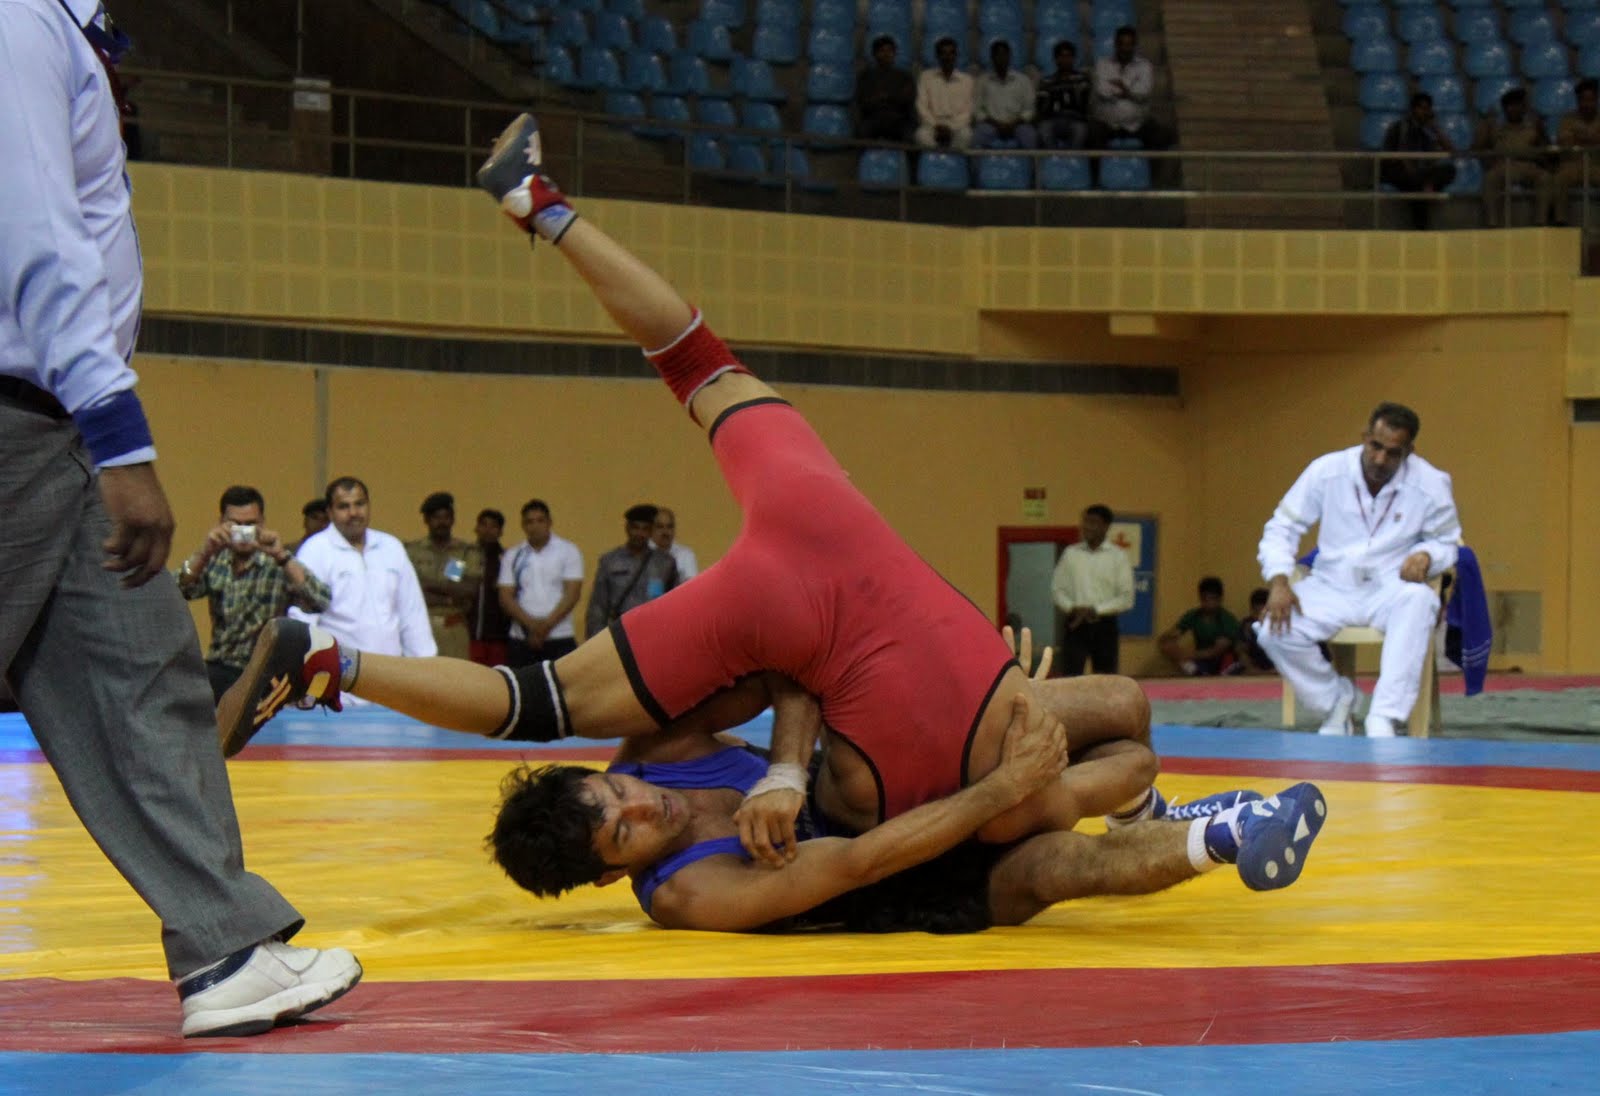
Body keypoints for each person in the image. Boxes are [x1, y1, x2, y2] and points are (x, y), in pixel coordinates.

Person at [221, 112, 1185, 849]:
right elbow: (900, 834)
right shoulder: (913, 794)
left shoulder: (969, 740)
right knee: (540, 693)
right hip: (820, 600)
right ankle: (331, 662)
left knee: (690, 364)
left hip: (832, 553)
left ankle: (539, 205)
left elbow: (1053, 762)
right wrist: (787, 772)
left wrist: (792, 766)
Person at [0, 0, 359, 1037]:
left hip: (52, 418)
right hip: (29, 419)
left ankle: (225, 946)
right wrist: (121, 438)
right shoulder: (21, 19)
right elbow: (35, 236)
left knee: (145, 676)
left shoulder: (59, 26)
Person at [1255, 403, 1462, 737]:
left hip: (1389, 586)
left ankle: (1384, 716)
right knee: (1271, 629)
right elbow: (1282, 527)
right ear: (1365, 437)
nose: (1380, 460)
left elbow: (1448, 542)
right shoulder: (1327, 471)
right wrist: (1279, 581)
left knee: (1419, 601)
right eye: (1375, 447)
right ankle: (1336, 701)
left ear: (1409, 451)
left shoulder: (1431, 482)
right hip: (1331, 584)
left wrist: (1426, 555)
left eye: (1393, 453)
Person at [176, 485, 331, 700]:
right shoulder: (214, 561)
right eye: (235, 525)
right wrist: (204, 551)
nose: (243, 531)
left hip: (267, 670)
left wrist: (281, 556)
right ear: (222, 523)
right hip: (221, 668)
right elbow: (176, 591)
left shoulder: (278, 564)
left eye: (250, 524)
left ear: (262, 523)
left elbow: (320, 600)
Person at [290, 476, 437, 661]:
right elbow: (304, 620)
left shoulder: (391, 547)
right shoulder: (315, 550)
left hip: (391, 673)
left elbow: (412, 613)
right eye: (343, 506)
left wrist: (424, 663)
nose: (353, 512)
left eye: (359, 504)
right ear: (330, 512)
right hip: (340, 675)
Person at [1050, 505, 1135, 677]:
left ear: (1106, 527)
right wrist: (1073, 608)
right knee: (1070, 678)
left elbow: (1126, 598)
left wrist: (1095, 610)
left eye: (1093, 522)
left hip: (1104, 625)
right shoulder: (1071, 554)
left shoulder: (1117, 557)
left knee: (1105, 679)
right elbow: (1057, 590)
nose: (1087, 526)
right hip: (1075, 624)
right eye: (1086, 521)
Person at [498, 498, 584, 667]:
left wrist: (546, 626)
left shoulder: (568, 551)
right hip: (522, 637)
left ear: (549, 522)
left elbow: (572, 595)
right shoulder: (513, 555)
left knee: (563, 690)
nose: (535, 526)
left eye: (540, 520)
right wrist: (533, 627)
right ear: (523, 525)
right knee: (522, 690)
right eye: (530, 522)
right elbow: (505, 597)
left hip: (560, 635)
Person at [405, 491, 482, 660]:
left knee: (456, 681)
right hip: (420, 628)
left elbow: (468, 590)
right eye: (436, 517)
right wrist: (448, 594)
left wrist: (427, 585)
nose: (442, 522)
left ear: (453, 519)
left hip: (453, 629)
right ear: (426, 520)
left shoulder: (465, 551)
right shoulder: (411, 551)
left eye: (446, 517)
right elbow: (408, 591)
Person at [585, 502, 678, 640]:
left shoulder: (665, 563)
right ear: (627, 528)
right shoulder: (610, 561)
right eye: (635, 528)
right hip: (619, 633)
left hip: (654, 633)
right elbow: (598, 606)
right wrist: (595, 639)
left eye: (645, 529)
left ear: (651, 531)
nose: (639, 533)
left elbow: (674, 603)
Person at [1474, 87, 1553, 229]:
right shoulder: (1496, 129)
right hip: (1503, 166)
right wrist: (1485, 124)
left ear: (1524, 108)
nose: (1514, 109)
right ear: (1505, 109)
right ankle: (1492, 223)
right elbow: (1477, 147)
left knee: (1545, 178)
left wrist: (1542, 131)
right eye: (1510, 106)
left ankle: (1541, 222)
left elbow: (1547, 149)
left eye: (1518, 105)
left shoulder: (1533, 128)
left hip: (1529, 166)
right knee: (1490, 178)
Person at [1381, 93, 1456, 231]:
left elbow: (1451, 152)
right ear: (1413, 109)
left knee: (1450, 170)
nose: (1425, 112)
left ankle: (1428, 185)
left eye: (1427, 109)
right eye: (1421, 108)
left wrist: (1435, 128)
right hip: (1399, 172)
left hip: (1420, 175)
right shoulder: (1398, 128)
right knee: (1417, 185)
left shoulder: (1426, 133)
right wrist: (1410, 168)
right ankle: (1422, 228)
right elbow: (1391, 156)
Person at [1089, 26, 1164, 152]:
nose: (1125, 48)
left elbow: (1143, 92)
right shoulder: (1102, 64)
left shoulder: (1144, 66)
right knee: (1091, 133)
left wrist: (1120, 90)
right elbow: (1102, 91)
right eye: (1121, 44)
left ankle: (1146, 171)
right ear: (1115, 44)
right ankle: (1098, 172)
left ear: (1134, 46)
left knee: (1161, 135)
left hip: (1137, 123)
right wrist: (1129, 93)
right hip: (1107, 123)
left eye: (1129, 44)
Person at [1157, 577, 1241, 677]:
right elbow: (1170, 636)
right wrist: (1171, 646)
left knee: (1233, 662)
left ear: (1220, 599)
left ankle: (1208, 675)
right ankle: (1198, 673)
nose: (1208, 603)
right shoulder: (1193, 615)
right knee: (1167, 645)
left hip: (1223, 661)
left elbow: (1216, 651)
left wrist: (1188, 655)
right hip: (1201, 662)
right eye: (1204, 599)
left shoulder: (1227, 619)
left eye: (1212, 599)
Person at [972, 39, 1038, 150]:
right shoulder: (982, 81)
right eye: (997, 55)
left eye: (1004, 54)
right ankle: (976, 167)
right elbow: (978, 110)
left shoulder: (1023, 80)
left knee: (1030, 136)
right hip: (991, 124)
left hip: (1018, 124)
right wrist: (996, 124)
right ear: (992, 58)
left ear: (1009, 56)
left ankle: (1032, 167)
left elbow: (1029, 109)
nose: (1001, 58)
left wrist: (1014, 123)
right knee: (978, 137)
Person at [1553, 78, 1600, 228]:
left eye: (1591, 100)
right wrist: (1592, 140)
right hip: (1572, 166)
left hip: (1596, 166)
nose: (1587, 104)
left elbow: (1574, 140)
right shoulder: (1567, 119)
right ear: (1578, 101)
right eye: (1583, 100)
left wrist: (1579, 138)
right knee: (1559, 179)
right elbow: (1565, 142)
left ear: (1596, 100)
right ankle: (1561, 222)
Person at [915, 36, 975, 150]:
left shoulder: (967, 80)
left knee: (967, 135)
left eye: (951, 53)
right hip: (932, 124)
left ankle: (952, 162)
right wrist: (936, 125)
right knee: (921, 136)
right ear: (937, 56)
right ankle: (938, 159)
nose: (947, 57)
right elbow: (921, 106)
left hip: (957, 126)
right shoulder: (926, 77)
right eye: (943, 53)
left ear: (956, 56)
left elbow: (968, 110)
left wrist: (951, 127)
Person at [855, 33, 916, 142]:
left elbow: (907, 100)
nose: (886, 54)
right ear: (875, 54)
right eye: (882, 51)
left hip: (898, 120)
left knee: (910, 136)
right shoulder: (866, 76)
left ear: (894, 53)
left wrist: (884, 97)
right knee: (862, 131)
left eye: (889, 51)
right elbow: (864, 102)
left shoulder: (905, 76)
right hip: (873, 119)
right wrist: (892, 98)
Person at [470, 507, 511, 666]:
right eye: (484, 525)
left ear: (500, 531)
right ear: (476, 528)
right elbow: (451, 583)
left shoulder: (508, 559)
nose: (488, 530)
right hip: (469, 635)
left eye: (493, 526)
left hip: (499, 637)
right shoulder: (461, 556)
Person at [1036, 39, 1091, 150]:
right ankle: (1053, 159)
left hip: (1076, 120)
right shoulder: (1047, 81)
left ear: (1073, 59)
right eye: (1062, 56)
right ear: (1056, 59)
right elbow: (1041, 106)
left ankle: (1073, 161)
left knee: (1080, 130)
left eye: (1069, 56)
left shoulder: (1082, 79)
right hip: (1053, 119)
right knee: (1043, 129)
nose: (1065, 60)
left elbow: (1085, 104)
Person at [652, 505, 699, 580]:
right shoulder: (643, 554)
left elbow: (693, 586)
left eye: (669, 527)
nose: (665, 532)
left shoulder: (686, 555)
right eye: (660, 527)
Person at [1236, 587, 1275, 674]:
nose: (1259, 617)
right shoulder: (1247, 625)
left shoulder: (1278, 625)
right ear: (1251, 610)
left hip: (1275, 667)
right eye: (1256, 613)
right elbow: (1241, 651)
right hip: (1253, 667)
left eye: (1262, 613)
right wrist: (1251, 668)